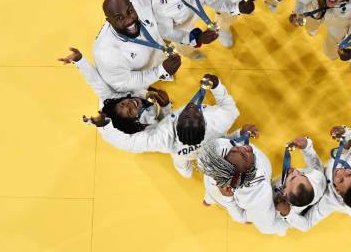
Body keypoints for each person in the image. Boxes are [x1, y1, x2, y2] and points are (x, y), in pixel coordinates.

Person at [83, 74, 240, 178]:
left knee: (183, 168)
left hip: (183, 153)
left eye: (184, 116)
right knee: (189, 165)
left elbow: (127, 141)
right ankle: (187, 171)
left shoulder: (160, 138)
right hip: (207, 146)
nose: (191, 108)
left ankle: (186, 172)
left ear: (176, 124)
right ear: (203, 122)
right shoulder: (220, 120)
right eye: (195, 114)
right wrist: (217, 86)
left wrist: (104, 125)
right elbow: (228, 104)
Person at [58, 47, 172, 134]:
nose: (130, 104)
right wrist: (165, 106)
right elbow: (163, 126)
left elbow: (95, 81)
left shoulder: (112, 99)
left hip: (121, 96)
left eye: (123, 104)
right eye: (130, 111)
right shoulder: (145, 128)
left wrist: (79, 60)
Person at [198, 134, 292, 236]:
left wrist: (240, 133)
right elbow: (241, 218)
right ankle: (208, 201)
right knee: (248, 216)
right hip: (223, 199)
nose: (242, 148)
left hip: (211, 188)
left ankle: (207, 201)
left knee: (209, 197)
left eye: (234, 149)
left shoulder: (215, 155)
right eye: (244, 156)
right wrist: (228, 200)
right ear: (248, 172)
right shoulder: (258, 193)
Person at [93, 0, 181, 93]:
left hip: (157, 50)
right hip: (133, 77)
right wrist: (160, 72)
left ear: (132, 5)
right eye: (119, 18)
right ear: (109, 21)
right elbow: (123, 84)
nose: (129, 20)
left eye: (129, 11)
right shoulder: (106, 54)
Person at [299, 126, 351, 230]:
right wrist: (345, 133)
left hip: (341, 201)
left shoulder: (330, 202)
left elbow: (307, 224)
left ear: (337, 190)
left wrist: (287, 214)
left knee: (349, 208)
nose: (341, 172)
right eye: (349, 174)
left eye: (341, 180)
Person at [270, 136, 327, 232]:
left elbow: (305, 226)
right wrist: (306, 147)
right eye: (303, 175)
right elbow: (315, 167)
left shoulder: (277, 211)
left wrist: (287, 213)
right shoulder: (317, 179)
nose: (296, 170)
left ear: (284, 193)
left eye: (292, 178)